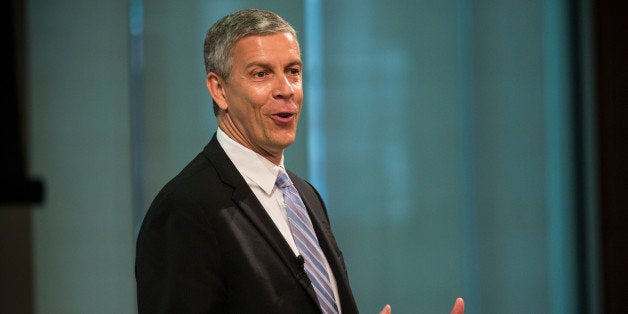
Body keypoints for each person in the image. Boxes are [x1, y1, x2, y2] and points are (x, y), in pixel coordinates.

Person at [134, 8, 464, 314]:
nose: (286, 89)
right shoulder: (184, 210)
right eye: (261, 74)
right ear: (219, 89)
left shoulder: (304, 196)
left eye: (293, 71)